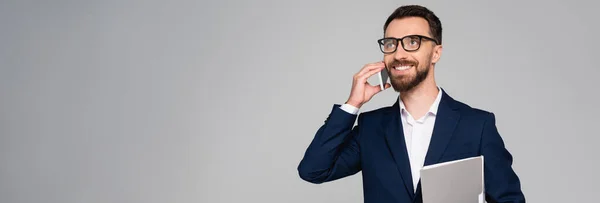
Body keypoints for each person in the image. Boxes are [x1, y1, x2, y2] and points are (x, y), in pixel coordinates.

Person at [297, 5, 525, 203]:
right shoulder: (371, 127)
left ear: (436, 53)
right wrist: (352, 104)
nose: (399, 53)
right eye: (390, 44)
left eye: (412, 42)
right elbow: (313, 170)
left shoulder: (477, 126)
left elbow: (509, 199)